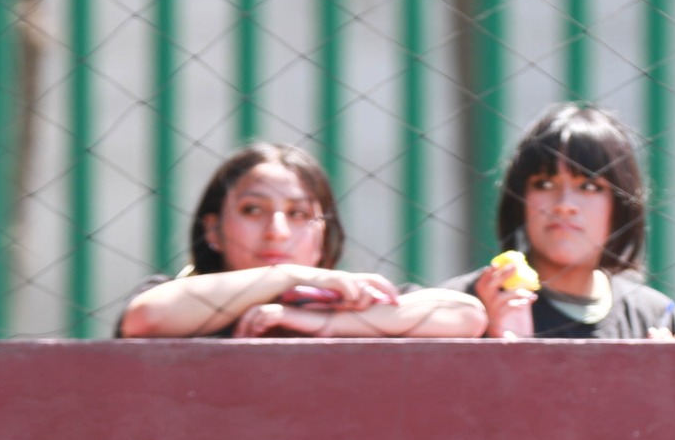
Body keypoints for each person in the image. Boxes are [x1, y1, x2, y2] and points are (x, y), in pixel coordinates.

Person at [116, 143, 484, 339]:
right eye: (252, 210)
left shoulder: (349, 304)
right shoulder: (178, 297)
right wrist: (287, 275)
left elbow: (465, 315)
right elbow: (145, 318)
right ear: (212, 230)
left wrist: (320, 323)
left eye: (298, 214)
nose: (277, 230)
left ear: (325, 233)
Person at [445, 104, 675, 339]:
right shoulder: (462, 306)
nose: (564, 204)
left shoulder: (654, 316)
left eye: (589, 186)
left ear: (621, 204)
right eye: (544, 184)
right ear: (520, 199)